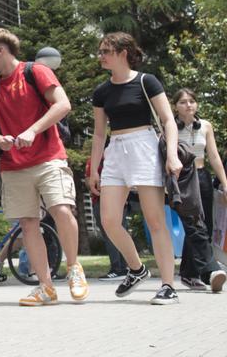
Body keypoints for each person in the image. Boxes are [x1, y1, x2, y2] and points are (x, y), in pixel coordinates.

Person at [0, 28, 88, 306]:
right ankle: (45, 287)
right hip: (14, 165)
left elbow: (63, 105)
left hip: (49, 157)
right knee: (29, 225)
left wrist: (32, 130)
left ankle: (74, 268)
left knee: (62, 210)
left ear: (1, 50)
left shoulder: (36, 71)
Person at [88, 32, 181, 304]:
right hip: (115, 150)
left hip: (144, 146)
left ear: (123, 52)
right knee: (108, 220)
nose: (101, 56)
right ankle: (137, 268)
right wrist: (94, 169)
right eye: (101, 51)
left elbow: (168, 120)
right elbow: (97, 134)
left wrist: (172, 155)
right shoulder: (101, 91)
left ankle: (167, 285)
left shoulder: (146, 81)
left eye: (106, 51)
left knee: (155, 220)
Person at [172, 88, 227, 292]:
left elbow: (214, 156)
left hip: (203, 176)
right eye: (183, 102)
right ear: (175, 107)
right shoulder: (170, 128)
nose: (189, 105)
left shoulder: (205, 126)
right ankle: (209, 270)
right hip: (183, 179)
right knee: (194, 224)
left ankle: (189, 273)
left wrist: (224, 183)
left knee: (206, 225)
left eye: (192, 101)